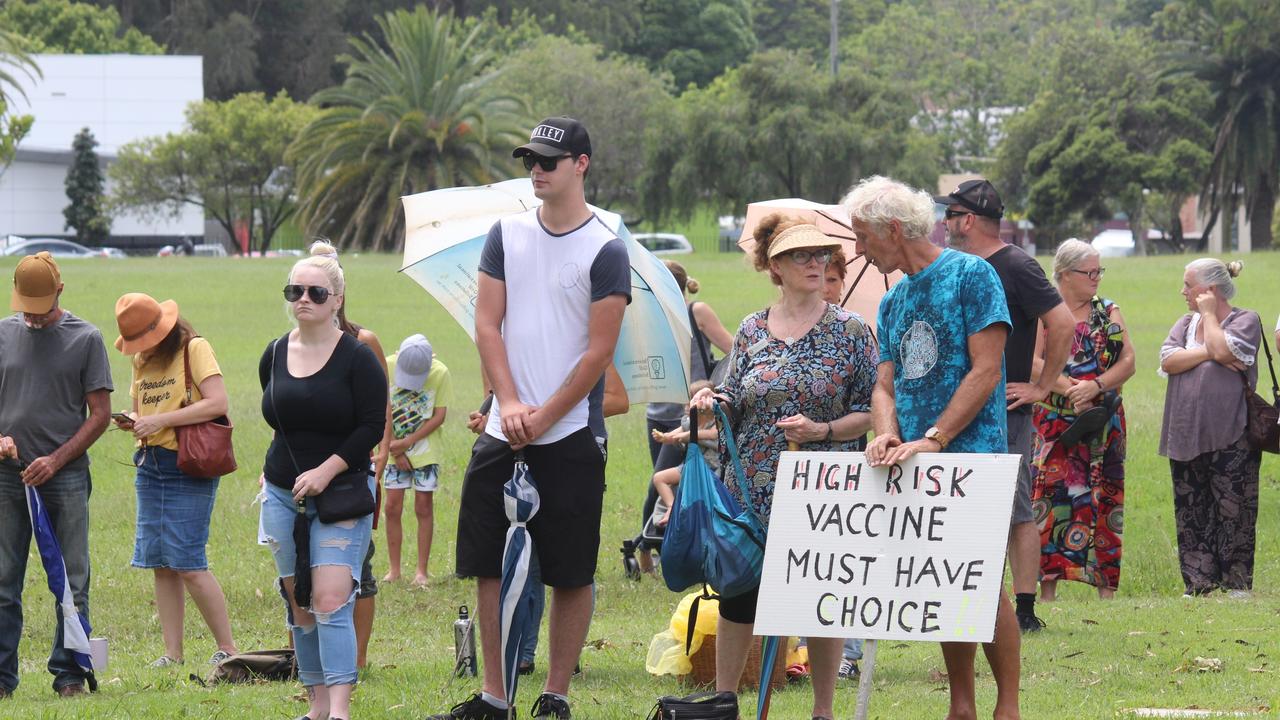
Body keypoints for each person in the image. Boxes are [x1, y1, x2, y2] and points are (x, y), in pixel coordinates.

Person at [431, 116, 630, 720]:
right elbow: (486, 323)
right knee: (487, 565)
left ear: (581, 165)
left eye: (549, 159)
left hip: (569, 433)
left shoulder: (606, 246)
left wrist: (544, 416)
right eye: (530, 161)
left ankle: (556, 694)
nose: (536, 170)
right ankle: (495, 694)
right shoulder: (506, 233)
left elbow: (599, 352)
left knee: (569, 571)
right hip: (503, 429)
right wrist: (510, 403)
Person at [844, 176, 1020, 720]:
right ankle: (961, 704)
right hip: (914, 460)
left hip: (974, 457)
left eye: (864, 238)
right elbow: (883, 385)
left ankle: (1007, 706)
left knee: (983, 580)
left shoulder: (974, 275)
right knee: (944, 584)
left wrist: (936, 438)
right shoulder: (894, 299)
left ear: (893, 230)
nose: (858, 251)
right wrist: (888, 434)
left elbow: (987, 370)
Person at [691, 214, 878, 720]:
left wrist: (822, 431)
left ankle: (822, 710)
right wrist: (714, 400)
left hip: (821, 485)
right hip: (750, 484)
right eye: (803, 256)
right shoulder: (752, 327)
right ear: (776, 266)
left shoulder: (853, 331)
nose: (816, 263)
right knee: (739, 594)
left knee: (819, 597)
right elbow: (739, 394)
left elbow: (872, 410)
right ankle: (726, 700)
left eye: (822, 255)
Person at [939, 178, 1073, 633]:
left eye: (951, 216)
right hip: (958, 410)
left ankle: (1025, 609)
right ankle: (969, 597)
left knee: (1015, 508)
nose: (944, 224)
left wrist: (1042, 386)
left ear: (969, 220)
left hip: (1005, 410)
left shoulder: (1016, 264)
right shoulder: (954, 266)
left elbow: (1062, 322)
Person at [258, 253, 387, 720]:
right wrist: (274, 469)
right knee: (300, 604)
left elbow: (373, 425)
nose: (304, 300)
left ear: (337, 300)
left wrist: (326, 470)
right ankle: (314, 706)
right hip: (281, 493)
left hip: (341, 492)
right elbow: (279, 420)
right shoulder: (273, 353)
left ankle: (339, 709)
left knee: (331, 597)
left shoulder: (357, 356)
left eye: (315, 292)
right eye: (295, 291)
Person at [0, 252, 112, 700]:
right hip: (8, 477)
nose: (33, 315)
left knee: (71, 579)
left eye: (41, 305)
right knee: (4, 578)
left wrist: (57, 459)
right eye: (26, 305)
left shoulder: (86, 338)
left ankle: (69, 674)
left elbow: (100, 414)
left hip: (64, 479)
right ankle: (2, 678)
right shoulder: (3, 334)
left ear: (60, 291)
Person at [111, 293, 239, 667]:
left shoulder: (194, 349)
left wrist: (161, 420)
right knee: (161, 563)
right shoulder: (141, 359)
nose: (142, 349)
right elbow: (144, 407)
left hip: (187, 464)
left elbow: (218, 403)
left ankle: (228, 649)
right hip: (150, 463)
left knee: (188, 561)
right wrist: (133, 420)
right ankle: (173, 653)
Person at [1029, 240, 1135, 599]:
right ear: (1063, 275)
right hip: (1055, 421)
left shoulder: (1108, 311)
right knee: (1050, 498)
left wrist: (1096, 387)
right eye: (1088, 272)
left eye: (1098, 271)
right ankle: (1047, 592)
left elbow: (1129, 361)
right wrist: (1070, 388)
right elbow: (1033, 362)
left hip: (1104, 420)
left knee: (1106, 498)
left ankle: (1106, 591)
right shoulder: (1045, 311)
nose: (1096, 278)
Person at [308, 239, 389, 671]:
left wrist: (384, 457)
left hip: (354, 469)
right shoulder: (291, 345)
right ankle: (311, 662)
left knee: (359, 566)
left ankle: (355, 658)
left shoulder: (363, 342)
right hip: (304, 470)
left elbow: (383, 408)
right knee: (303, 566)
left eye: (318, 287)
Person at [1159, 259, 1261, 598]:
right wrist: (1212, 354)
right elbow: (1168, 360)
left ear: (1209, 290)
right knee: (1191, 509)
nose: (1182, 292)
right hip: (1186, 431)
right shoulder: (1183, 322)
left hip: (1231, 431)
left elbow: (1223, 348)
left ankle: (1236, 582)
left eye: (1189, 285)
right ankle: (1198, 582)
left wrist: (1209, 320)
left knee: (1234, 507)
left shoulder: (1246, 320)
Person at [639, 260, 733, 572]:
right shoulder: (648, 317)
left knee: (675, 481)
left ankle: (656, 547)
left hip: (695, 415)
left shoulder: (697, 312)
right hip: (659, 412)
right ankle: (652, 549)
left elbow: (736, 350)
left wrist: (713, 389)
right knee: (661, 483)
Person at [382, 333, 452, 586]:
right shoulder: (387, 365)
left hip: (425, 451)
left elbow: (439, 416)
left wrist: (408, 443)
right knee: (392, 507)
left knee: (423, 506)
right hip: (392, 448)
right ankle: (394, 569)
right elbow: (383, 410)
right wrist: (395, 450)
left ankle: (421, 571)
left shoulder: (440, 373)